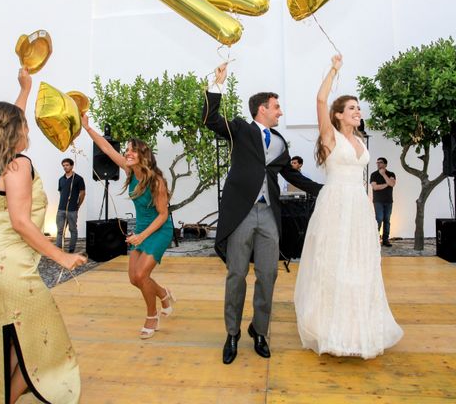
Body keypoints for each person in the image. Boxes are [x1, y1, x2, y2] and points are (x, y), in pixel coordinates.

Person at [0, 67, 87, 404]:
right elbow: (21, 222)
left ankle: (0, 394)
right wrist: (62, 256)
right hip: (8, 270)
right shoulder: (18, 165)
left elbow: (5, 122)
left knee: (7, 339)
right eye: (25, 125)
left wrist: (25, 88)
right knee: (44, 341)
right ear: (15, 133)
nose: (29, 129)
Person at [203, 62, 322, 365]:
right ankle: (232, 334)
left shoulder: (280, 141)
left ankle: (259, 329)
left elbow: (291, 176)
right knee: (237, 275)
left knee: (268, 274)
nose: (280, 112)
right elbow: (210, 119)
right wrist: (216, 86)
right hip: (241, 213)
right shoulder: (241, 129)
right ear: (261, 110)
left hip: (269, 214)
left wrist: (322, 189)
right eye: (276, 107)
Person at [294, 54, 403, 357]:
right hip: (335, 203)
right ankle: (332, 330)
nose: (358, 111)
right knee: (334, 263)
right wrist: (333, 69)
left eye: (358, 107)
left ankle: (358, 329)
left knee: (361, 263)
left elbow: (362, 177)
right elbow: (320, 99)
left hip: (357, 204)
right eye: (352, 108)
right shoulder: (330, 138)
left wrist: (369, 206)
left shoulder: (362, 143)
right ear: (339, 115)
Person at [81, 114, 176, 339]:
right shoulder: (128, 170)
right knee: (134, 278)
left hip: (158, 230)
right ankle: (163, 293)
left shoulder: (157, 181)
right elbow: (105, 148)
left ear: (143, 155)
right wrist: (87, 127)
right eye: (126, 150)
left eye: (132, 150)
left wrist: (141, 236)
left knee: (142, 274)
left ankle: (152, 316)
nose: (127, 154)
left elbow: (163, 216)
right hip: (141, 230)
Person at [56, 158, 85, 253]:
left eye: (67, 165)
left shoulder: (78, 178)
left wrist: (78, 205)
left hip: (72, 210)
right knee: (60, 230)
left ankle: (71, 249)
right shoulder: (61, 179)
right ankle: (58, 249)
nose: (65, 167)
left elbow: (82, 193)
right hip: (61, 210)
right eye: (63, 165)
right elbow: (61, 192)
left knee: (73, 230)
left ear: (72, 166)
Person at [370, 157, 396, 247]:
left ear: (385, 164)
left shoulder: (391, 174)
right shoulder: (374, 174)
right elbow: (375, 187)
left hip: (389, 201)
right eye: (377, 162)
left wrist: (384, 175)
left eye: (380, 162)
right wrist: (386, 184)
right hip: (378, 201)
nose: (378, 164)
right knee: (379, 219)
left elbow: (392, 184)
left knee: (387, 220)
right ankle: (376, 239)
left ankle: (385, 240)